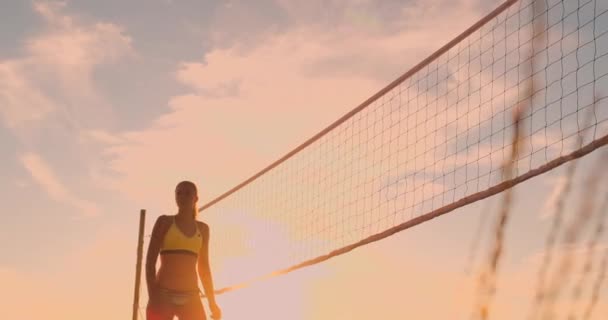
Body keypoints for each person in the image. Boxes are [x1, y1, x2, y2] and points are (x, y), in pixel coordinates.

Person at [146, 180, 222, 320]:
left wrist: (212, 303)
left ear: (196, 198)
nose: (182, 196)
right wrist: (153, 296)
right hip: (163, 295)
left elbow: (204, 268)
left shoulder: (203, 229)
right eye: (179, 193)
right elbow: (150, 262)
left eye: (188, 193)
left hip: (191, 296)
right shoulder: (164, 222)